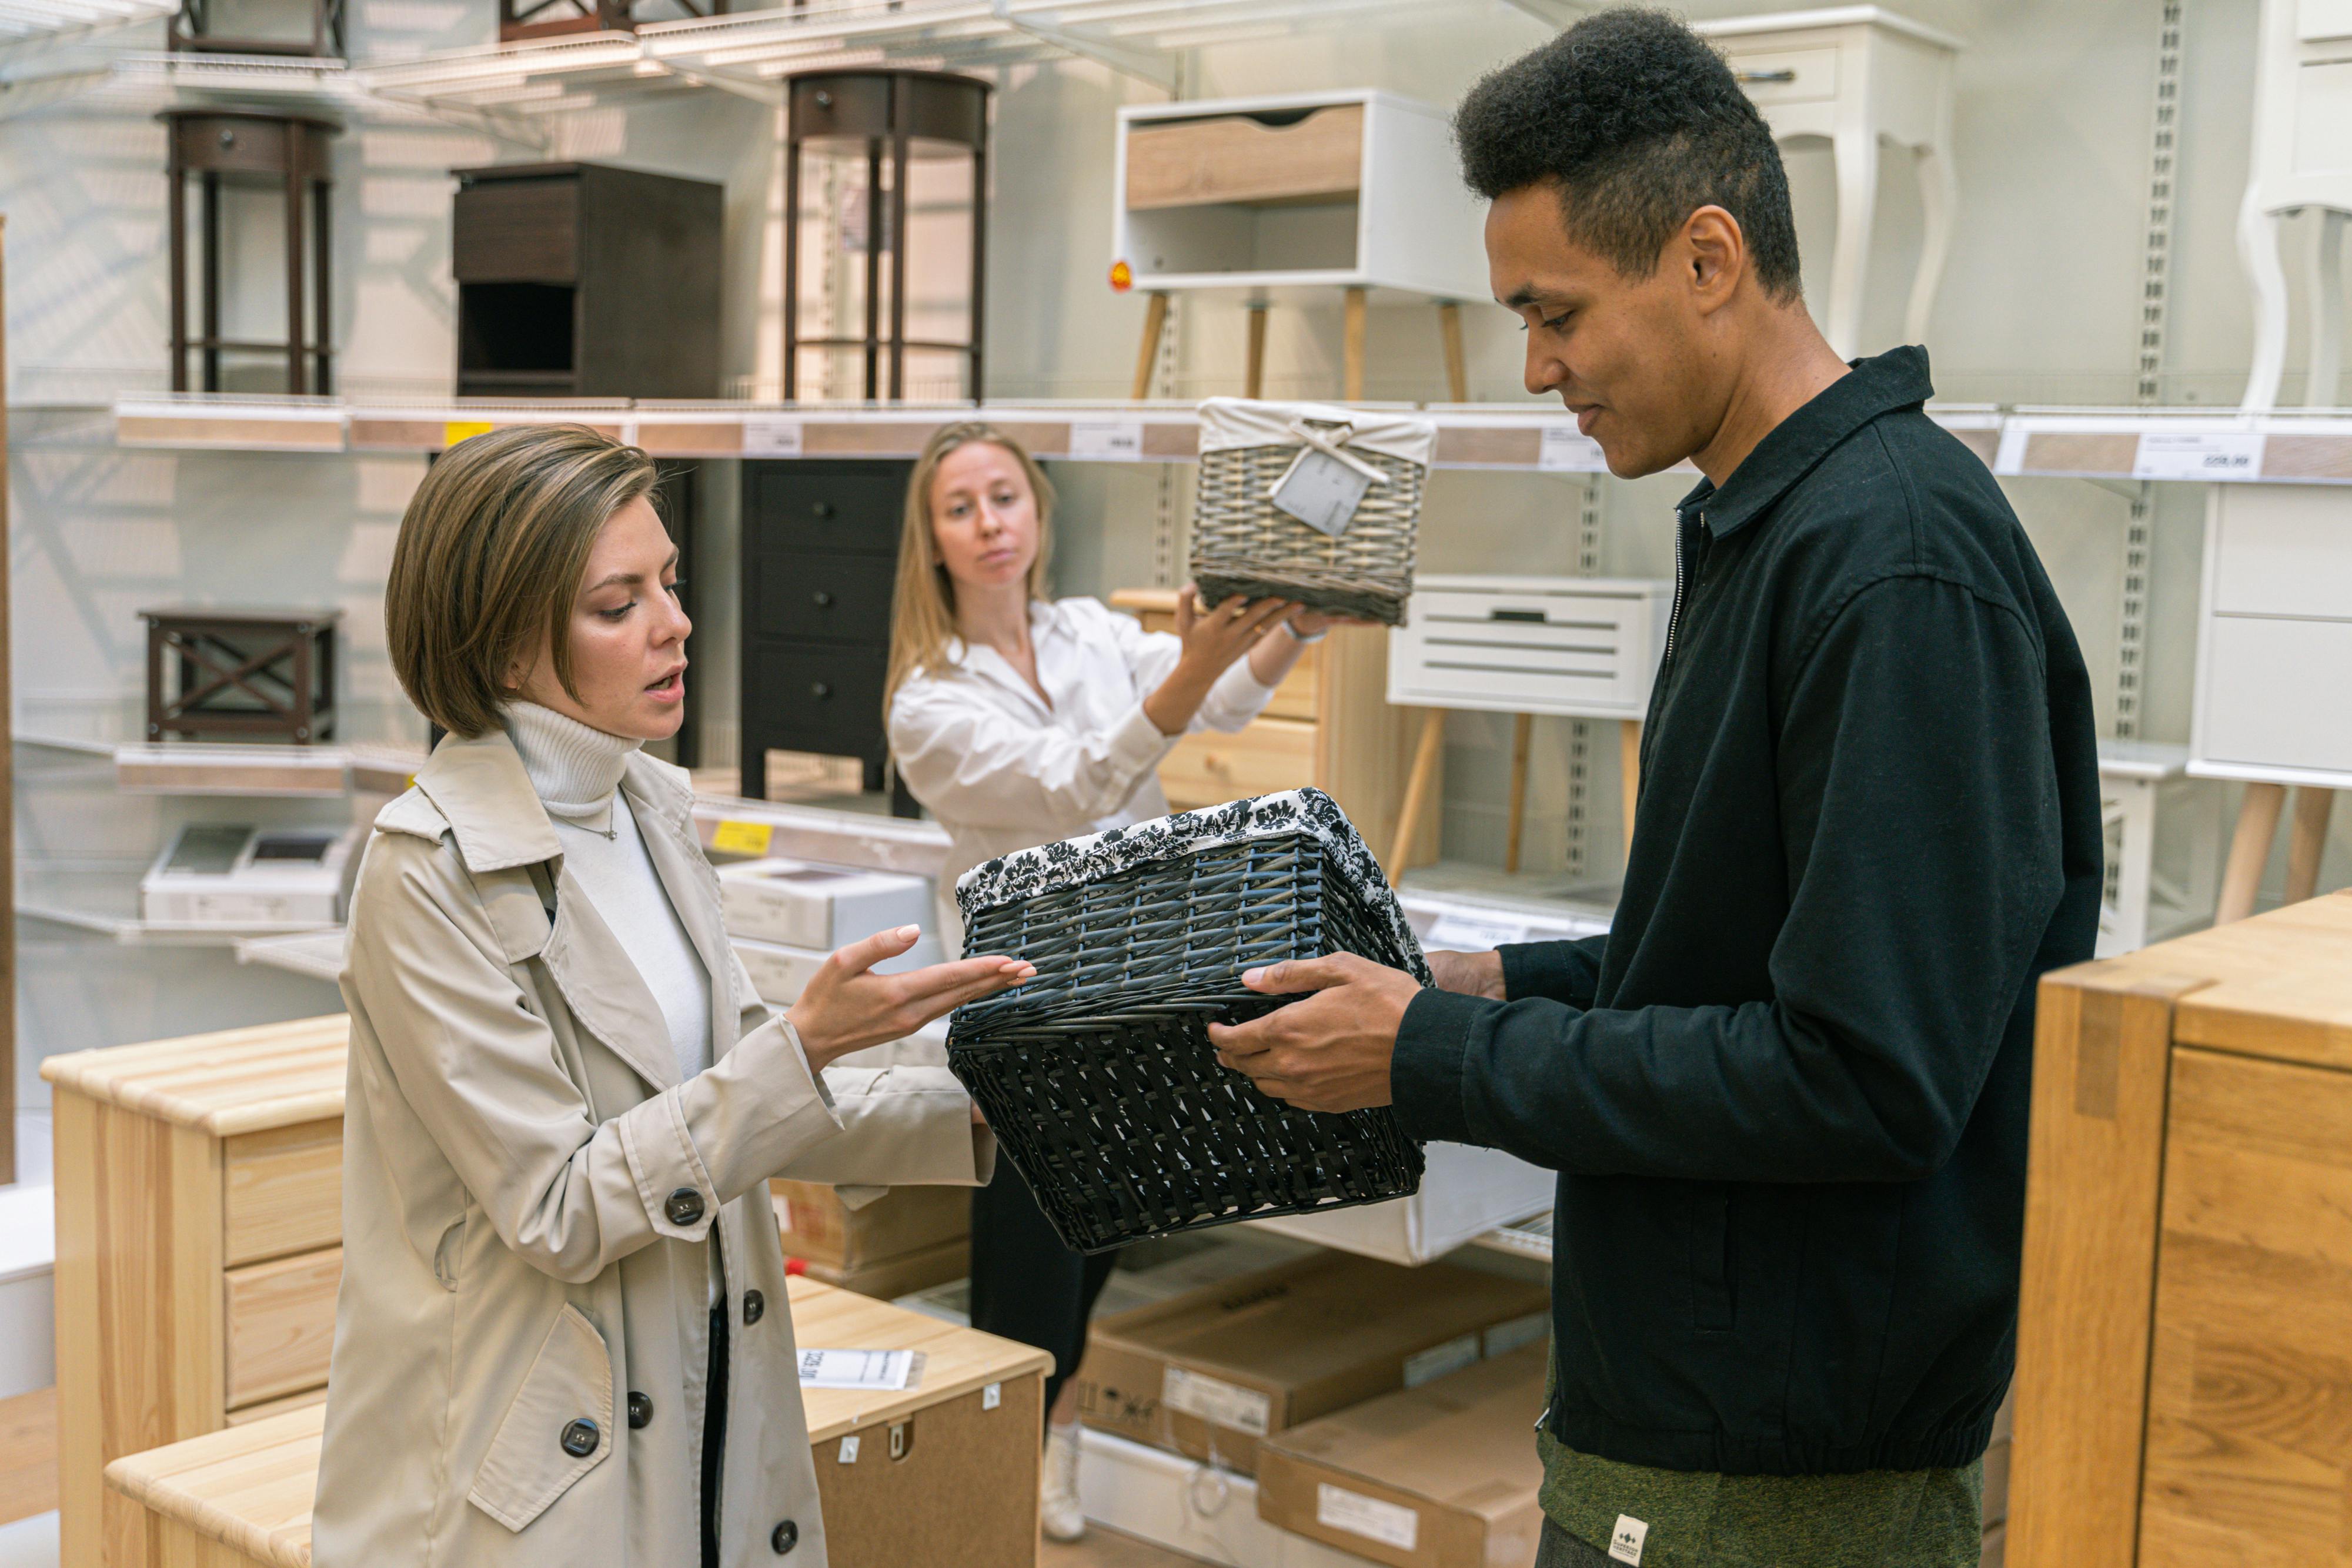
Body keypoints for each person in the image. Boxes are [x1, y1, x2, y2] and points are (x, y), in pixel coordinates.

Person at [1210, 14, 2103, 1568]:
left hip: (1773, 1466)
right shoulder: (1772, 524)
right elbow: (1740, 957)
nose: (1539, 365)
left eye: (1556, 313)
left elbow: (1862, 1075)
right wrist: (1492, 979)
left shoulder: (1890, 564)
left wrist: (1445, 1053)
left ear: (1706, 260)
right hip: (1694, 1412)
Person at [313, 424, 1035, 1568]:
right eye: (619, 603)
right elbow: (557, 1202)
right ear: (503, 644)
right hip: (537, 1465)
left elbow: (742, 1096)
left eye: (670, 583)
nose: (675, 622)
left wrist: (983, 1104)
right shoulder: (426, 872)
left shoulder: (647, 805)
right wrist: (797, 1052)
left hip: (703, 1391)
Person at [883, 422, 1333, 1539]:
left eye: (1005, 497)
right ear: (931, 539)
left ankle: (1057, 1429)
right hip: (1028, 1008)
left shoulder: (1085, 630)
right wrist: (1189, 667)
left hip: (1140, 981)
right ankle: (998, 1470)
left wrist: (1285, 638)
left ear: (1038, 510)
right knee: (1030, 1256)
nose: (990, 524)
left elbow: (1219, 705)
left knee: (1107, 1228)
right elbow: (1076, 789)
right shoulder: (926, 701)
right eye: (961, 507)